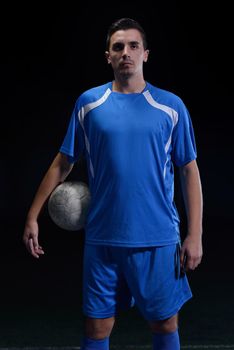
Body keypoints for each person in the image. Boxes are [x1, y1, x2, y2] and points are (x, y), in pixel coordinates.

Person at [23, 17, 203, 350]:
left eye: (134, 46)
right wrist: (33, 216)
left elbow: (189, 171)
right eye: (118, 46)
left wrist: (195, 234)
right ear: (108, 56)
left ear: (146, 54)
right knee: (97, 326)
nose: (126, 53)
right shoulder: (89, 104)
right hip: (104, 237)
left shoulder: (170, 107)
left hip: (157, 237)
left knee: (165, 322)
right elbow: (63, 163)